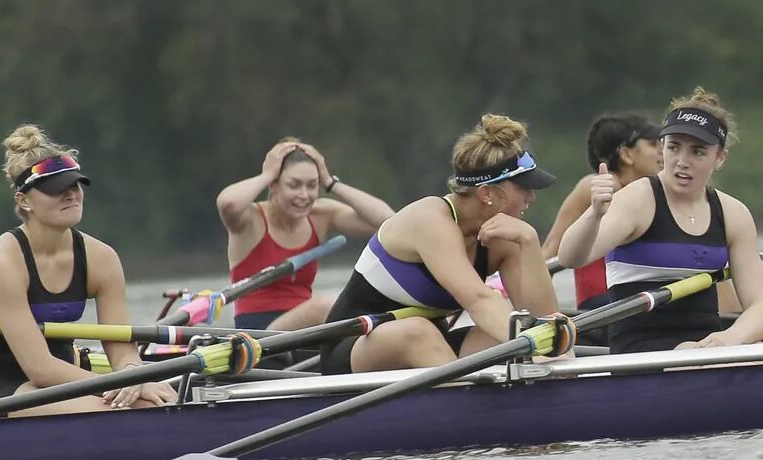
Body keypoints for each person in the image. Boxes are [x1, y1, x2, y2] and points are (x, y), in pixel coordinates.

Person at [320, 114, 559, 375]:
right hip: (356, 348)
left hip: (433, 348)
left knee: (507, 337)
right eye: (523, 187)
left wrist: (530, 242)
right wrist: (536, 345)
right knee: (419, 331)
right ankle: (467, 409)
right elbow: (479, 302)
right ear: (486, 193)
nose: (531, 197)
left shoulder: (504, 237)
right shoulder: (430, 221)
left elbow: (545, 319)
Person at [0, 124, 176, 415]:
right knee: (124, 409)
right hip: (2, 389)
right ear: (23, 201)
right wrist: (120, 383)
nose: (70, 195)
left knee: (154, 401)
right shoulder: (2, 264)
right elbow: (39, 368)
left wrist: (133, 376)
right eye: (55, 189)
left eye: (74, 185)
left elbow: (121, 347)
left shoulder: (102, 258)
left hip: (65, 379)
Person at [558, 87, 763, 354]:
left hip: (705, 348)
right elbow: (570, 258)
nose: (682, 161)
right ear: (662, 148)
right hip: (640, 352)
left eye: (697, 152)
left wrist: (730, 338)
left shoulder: (732, 213)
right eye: (674, 147)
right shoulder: (638, 199)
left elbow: (759, 306)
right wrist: (594, 213)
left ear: (720, 158)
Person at [217, 137, 394, 332]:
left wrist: (330, 183)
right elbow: (228, 203)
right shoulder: (250, 220)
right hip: (257, 334)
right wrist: (266, 175)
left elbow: (387, 220)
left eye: (312, 185)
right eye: (294, 185)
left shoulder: (320, 215)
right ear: (274, 186)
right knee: (326, 305)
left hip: (307, 330)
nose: (304, 195)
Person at [542, 112, 662, 310]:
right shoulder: (597, 187)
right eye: (652, 145)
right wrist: (542, 313)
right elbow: (550, 251)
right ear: (627, 154)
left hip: (642, 301)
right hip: (600, 306)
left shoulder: (657, 191)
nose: (662, 152)